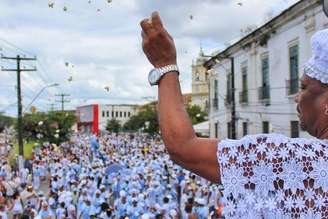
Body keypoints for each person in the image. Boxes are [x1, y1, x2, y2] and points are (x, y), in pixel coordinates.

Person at [140, 12, 328, 218]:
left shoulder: (298, 161)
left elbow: (183, 147)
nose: (297, 97)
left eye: (303, 87)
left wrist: (164, 64)